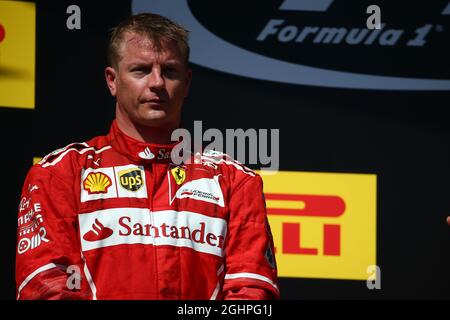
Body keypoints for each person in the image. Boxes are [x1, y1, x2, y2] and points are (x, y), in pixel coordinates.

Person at [15, 13, 279, 300]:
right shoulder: (60, 173)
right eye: (141, 70)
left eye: (170, 71)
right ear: (112, 80)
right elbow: (45, 286)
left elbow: (252, 293)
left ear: (187, 82)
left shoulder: (233, 180)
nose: (157, 83)